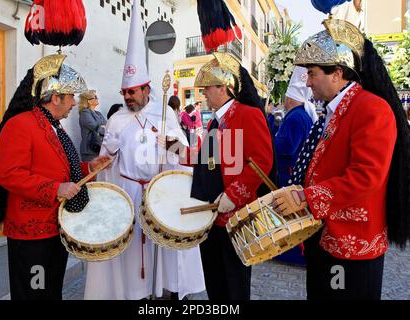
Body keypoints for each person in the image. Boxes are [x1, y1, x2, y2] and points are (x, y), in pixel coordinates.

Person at [272, 19, 410, 300]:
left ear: (337, 73)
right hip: (325, 237)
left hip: (352, 244)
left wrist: (304, 198)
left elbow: (366, 177)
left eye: (312, 74)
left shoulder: (372, 108)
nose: (308, 82)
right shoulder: (334, 110)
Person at [83, 0, 205, 300]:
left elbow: (185, 152)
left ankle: (162, 296)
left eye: (132, 91)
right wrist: (109, 153)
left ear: (146, 89)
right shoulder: (115, 120)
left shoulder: (165, 116)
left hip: (159, 196)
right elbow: (104, 166)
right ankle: (133, 294)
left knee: (161, 253)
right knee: (130, 256)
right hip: (128, 194)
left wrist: (173, 145)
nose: (127, 97)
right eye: (124, 92)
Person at [0, 54, 110, 300]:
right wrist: (55, 189)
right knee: (34, 293)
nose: (74, 103)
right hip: (32, 237)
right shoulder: (20, 124)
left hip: (55, 229)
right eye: (71, 97)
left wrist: (89, 168)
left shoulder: (54, 126)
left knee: (50, 293)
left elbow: (60, 169)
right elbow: (9, 174)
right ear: (55, 97)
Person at [160, 52, 276, 300]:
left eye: (208, 89)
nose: (203, 94)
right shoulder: (216, 120)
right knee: (215, 281)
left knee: (234, 284)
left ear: (224, 88)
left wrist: (234, 195)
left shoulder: (248, 114)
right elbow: (207, 158)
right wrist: (174, 147)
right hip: (210, 214)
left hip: (235, 216)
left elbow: (262, 161)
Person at [274, 66, 316, 187]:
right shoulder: (300, 114)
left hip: (288, 176)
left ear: (290, 99)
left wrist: (271, 142)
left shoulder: (295, 117)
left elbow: (287, 148)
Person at [78, 90, 107, 161]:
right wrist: (103, 127)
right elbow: (95, 127)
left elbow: (107, 127)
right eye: (95, 97)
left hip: (100, 148)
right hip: (90, 150)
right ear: (89, 101)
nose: (97, 99)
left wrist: (103, 127)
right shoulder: (85, 113)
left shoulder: (98, 113)